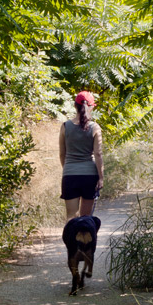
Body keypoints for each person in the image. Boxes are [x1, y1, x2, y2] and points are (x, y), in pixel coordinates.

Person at [59, 90, 103, 222]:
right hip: (90, 176)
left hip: (70, 175)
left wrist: (68, 169)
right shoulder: (95, 127)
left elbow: (62, 154)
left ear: (74, 106)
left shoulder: (65, 126)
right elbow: (98, 154)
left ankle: (72, 242)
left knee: (71, 217)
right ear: (90, 107)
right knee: (86, 219)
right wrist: (101, 178)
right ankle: (86, 242)